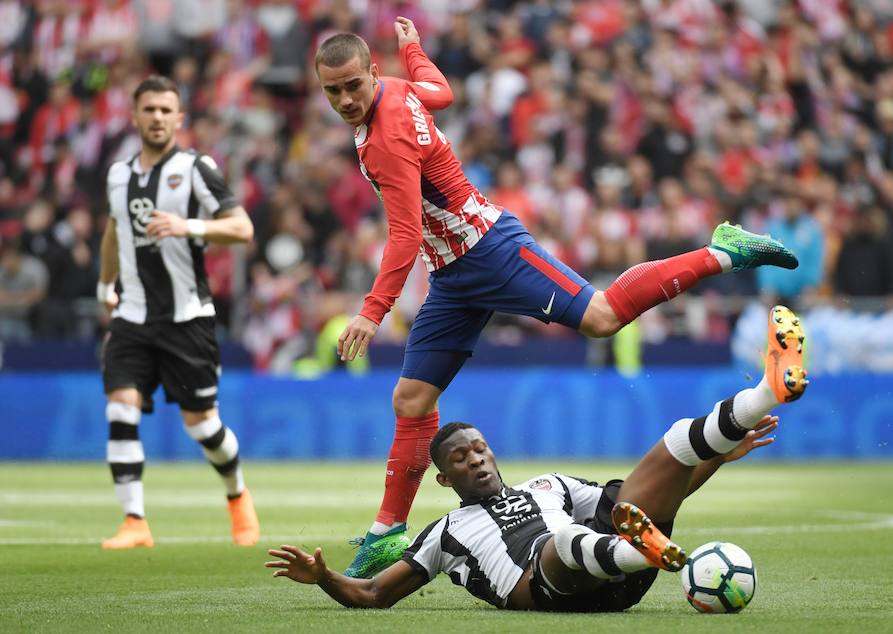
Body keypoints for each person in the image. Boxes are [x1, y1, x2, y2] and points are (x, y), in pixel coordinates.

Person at [314, 17, 800, 578]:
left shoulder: (386, 137)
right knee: (412, 399)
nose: (346, 99)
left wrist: (372, 312)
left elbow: (401, 232)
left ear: (372, 74)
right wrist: (415, 51)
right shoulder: (397, 89)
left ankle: (722, 251)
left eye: (353, 85)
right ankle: (387, 533)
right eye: (334, 91)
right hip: (451, 274)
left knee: (601, 317)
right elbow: (442, 92)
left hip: (491, 249)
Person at [267, 305, 807, 610]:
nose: (475, 460)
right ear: (443, 478)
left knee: (671, 447)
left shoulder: (549, 486)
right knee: (567, 541)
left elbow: (650, 497)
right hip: (552, 586)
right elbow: (373, 595)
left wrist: (713, 459)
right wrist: (325, 577)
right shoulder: (446, 532)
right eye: (460, 458)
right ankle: (643, 552)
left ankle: (765, 389)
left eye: (479, 448)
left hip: (615, 570)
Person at [96, 75, 259, 549]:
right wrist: (107, 284)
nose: (158, 118)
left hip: (187, 318)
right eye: (149, 110)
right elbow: (112, 230)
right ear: (135, 116)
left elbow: (242, 228)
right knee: (120, 406)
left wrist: (186, 225)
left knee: (203, 426)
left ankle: (237, 495)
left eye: (167, 110)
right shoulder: (117, 175)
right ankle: (135, 522)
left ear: (179, 118)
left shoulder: (194, 168)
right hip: (131, 315)